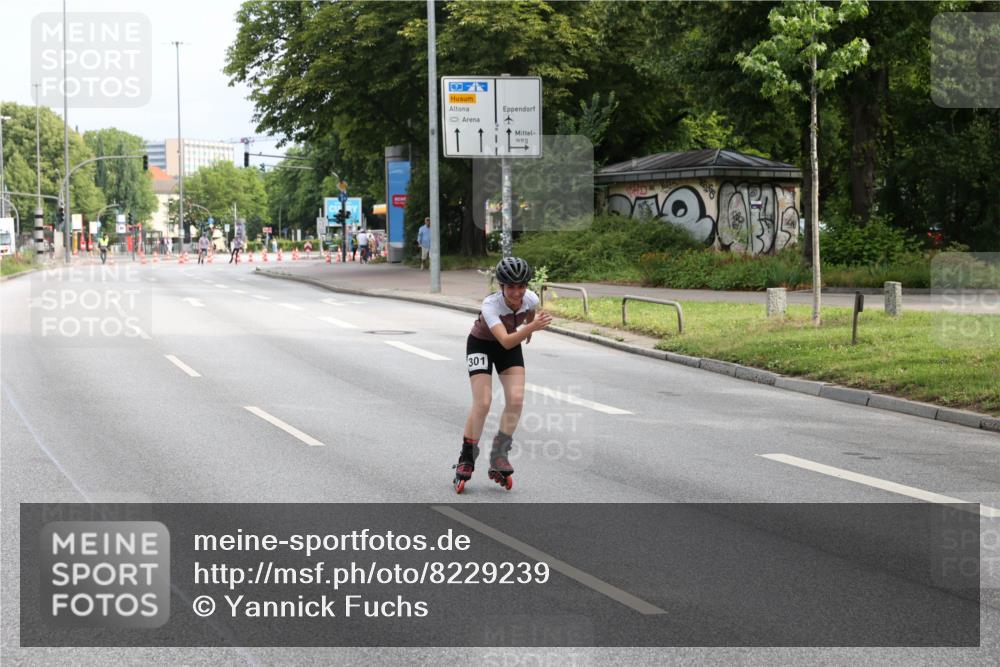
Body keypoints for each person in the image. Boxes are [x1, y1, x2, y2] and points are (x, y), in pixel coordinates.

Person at [453, 257, 552, 493]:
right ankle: (467, 457)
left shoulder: (530, 298)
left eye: (521, 286)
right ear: (501, 287)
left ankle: (499, 454)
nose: (517, 292)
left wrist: (528, 329)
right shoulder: (491, 305)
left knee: (516, 399)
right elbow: (506, 340)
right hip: (482, 344)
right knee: (483, 402)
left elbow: (530, 313)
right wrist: (530, 328)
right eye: (511, 287)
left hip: (510, 344)